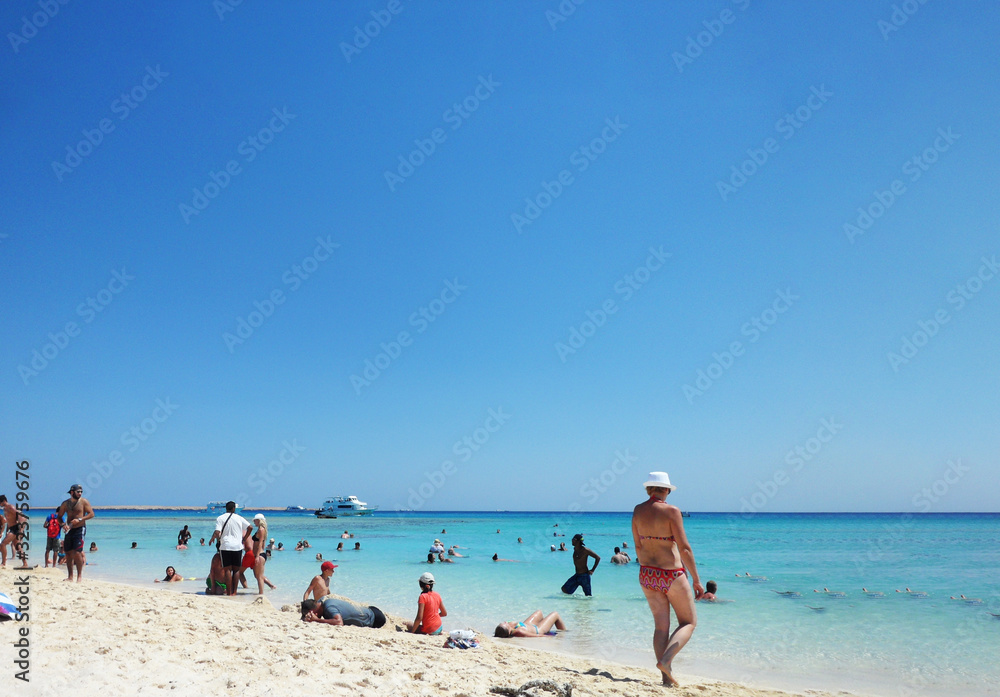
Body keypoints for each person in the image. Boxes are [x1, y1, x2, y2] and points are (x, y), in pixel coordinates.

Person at [631, 472, 703, 687]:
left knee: (661, 628)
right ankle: (666, 661)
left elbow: (637, 545)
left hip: (647, 573)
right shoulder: (672, 511)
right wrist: (697, 579)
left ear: (648, 489)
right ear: (667, 490)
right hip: (670, 574)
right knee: (688, 622)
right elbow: (685, 548)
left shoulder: (637, 510)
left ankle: (666, 678)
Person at [207, 501, 252, 596]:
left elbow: (217, 531)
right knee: (236, 570)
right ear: (234, 509)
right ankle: (234, 592)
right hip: (237, 547)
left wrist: (212, 539)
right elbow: (250, 527)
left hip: (225, 546)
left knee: (227, 570)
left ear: (226, 508)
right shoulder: (239, 518)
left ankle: (228, 591)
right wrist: (244, 538)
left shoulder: (220, 518)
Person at [55, 484, 95, 581]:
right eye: (78, 492)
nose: (80, 493)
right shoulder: (65, 504)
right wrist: (63, 525)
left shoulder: (84, 502)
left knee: (77, 552)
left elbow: (91, 514)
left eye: (81, 492)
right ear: (72, 492)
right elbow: (59, 517)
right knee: (68, 553)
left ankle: (79, 576)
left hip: (80, 529)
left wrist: (80, 519)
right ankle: (70, 576)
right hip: (69, 529)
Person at [301, 598, 387, 628]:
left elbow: (339, 622)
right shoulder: (324, 602)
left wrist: (317, 620)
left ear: (311, 612)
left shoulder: (329, 608)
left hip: (376, 618)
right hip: (370, 610)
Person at [0, 494, 30, 568]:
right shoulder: (5, 509)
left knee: (3, 544)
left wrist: (21, 530)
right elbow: (9, 520)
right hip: (12, 529)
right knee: (18, 548)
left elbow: (23, 518)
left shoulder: (11, 507)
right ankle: (25, 564)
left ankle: (3, 563)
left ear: (3, 501)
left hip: (16, 529)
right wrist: (7, 530)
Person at [252, 514, 276, 594]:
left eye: (255, 520)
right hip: (258, 554)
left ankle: (261, 594)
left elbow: (260, 543)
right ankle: (271, 586)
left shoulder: (261, 530)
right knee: (257, 575)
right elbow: (263, 544)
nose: (254, 522)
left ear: (259, 520)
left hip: (259, 555)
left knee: (259, 576)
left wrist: (257, 556)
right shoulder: (261, 529)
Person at [494, 610, 566, 638]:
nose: (505, 622)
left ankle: (546, 623)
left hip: (528, 624)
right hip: (538, 629)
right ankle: (564, 632)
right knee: (555, 614)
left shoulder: (510, 626)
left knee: (539, 612)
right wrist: (549, 635)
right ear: (508, 630)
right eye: (504, 624)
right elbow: (537, 636)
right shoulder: (519, 632)